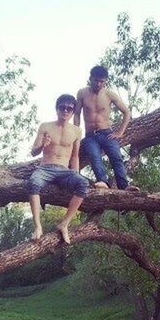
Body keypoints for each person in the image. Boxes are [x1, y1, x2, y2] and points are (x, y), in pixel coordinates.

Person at [27, 94, 89, 244]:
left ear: (73, 112)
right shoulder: (45, 126)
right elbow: (34, 151)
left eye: (69, 109)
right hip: (45, 168)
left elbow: (75, 157)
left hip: (64, 171)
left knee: (83, 184)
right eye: (62, 107)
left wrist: (75, 174)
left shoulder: (76, 131)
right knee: (32, 182)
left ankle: (64, 224)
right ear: (57, 109)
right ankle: (37, 226)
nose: (65, 111)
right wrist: (43, 145)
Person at [74, 65, 139, 191]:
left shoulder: (109, 94)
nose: (99, 84)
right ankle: (102, 181)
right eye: (96, 81)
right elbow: (77, 113)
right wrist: (76, 132)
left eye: (102, 81)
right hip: (90, 135)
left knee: (116, 158)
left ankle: (124, 186)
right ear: (90, 78)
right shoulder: (82, 93)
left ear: (105, 81)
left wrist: (120, 132)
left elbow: (127, 112)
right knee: (94, 157)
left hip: (107, 133)